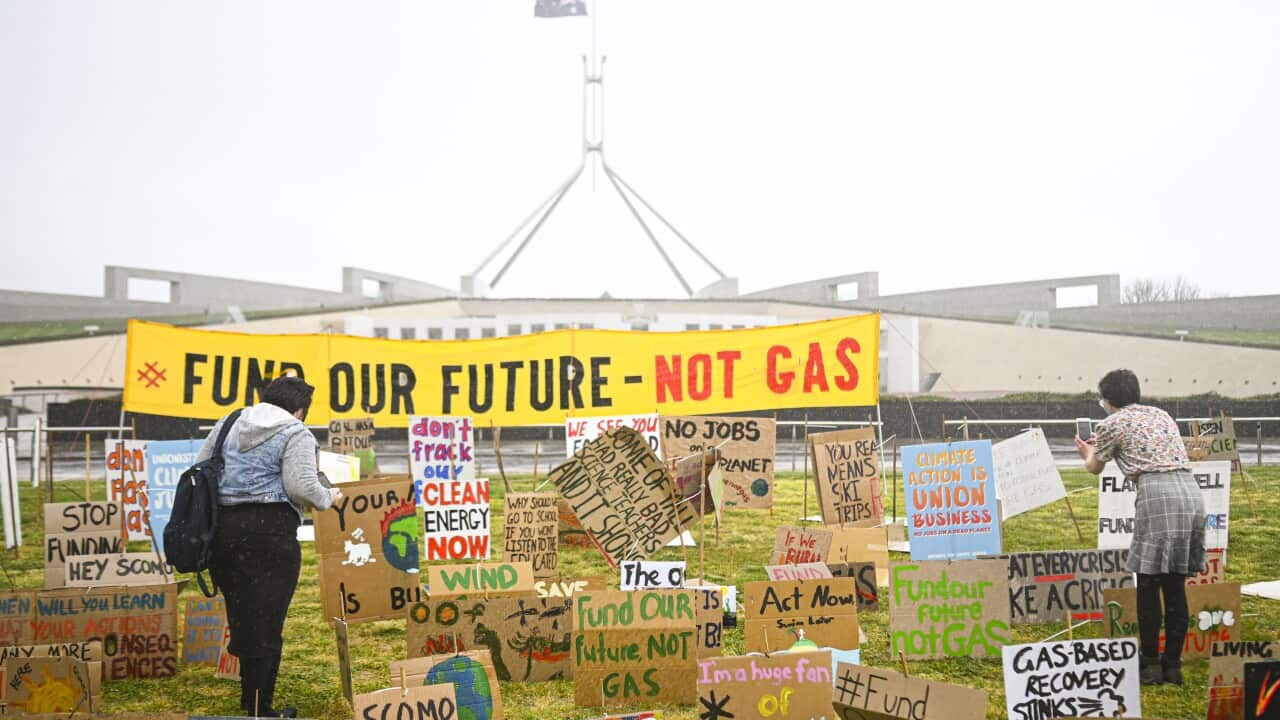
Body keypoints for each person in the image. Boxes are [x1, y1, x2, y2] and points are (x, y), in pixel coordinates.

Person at [196, 376, 342, 717]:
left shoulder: (229, 421)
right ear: (300, 408)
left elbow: (201, 468)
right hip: (270, 537)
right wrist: (329, 496)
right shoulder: (296, 432)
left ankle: (252, 703)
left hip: (223, 534)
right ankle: (260, 709)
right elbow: (302, 486)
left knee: (244, 617)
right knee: (267, 622)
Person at [1075, 368, 1205, 686]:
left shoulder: (1110, 423)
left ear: (1107, 400)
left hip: (1156, 493)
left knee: (1147, 583)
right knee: (1175, 584)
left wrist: (1088, 451)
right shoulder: (1161, 414)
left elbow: (1094, 467)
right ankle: (1172, 665)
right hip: (1190, 490)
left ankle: (1148, 665)